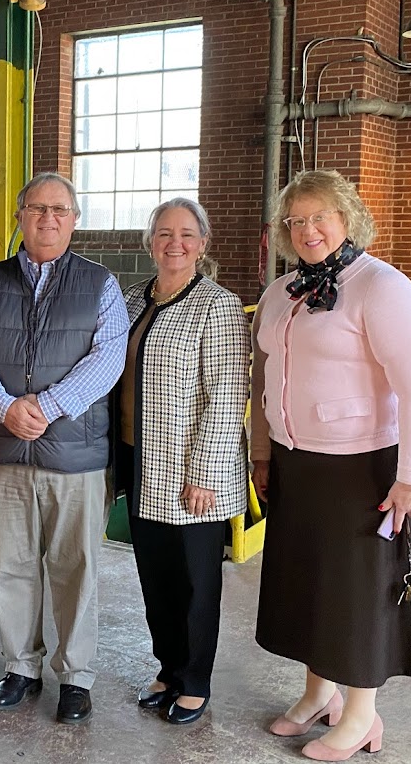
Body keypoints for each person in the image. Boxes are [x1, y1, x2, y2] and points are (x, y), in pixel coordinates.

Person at [252, 169, 411, 761]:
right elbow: (265, 373)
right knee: (313, 585)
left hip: (362, 467)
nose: (306, 230)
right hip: (296, 460)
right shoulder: (284, 289)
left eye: (319, 218)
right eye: (295, 221)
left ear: (347, 219)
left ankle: (362, 715)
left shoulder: (381, 286)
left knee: (357, 592)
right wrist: (263, 450)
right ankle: (318, 694)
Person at [0, 172, 127, 725]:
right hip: (6, 453)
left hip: (74, 456)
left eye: (59, 210)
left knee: (76, 567)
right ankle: (20, 667)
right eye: (35, 209)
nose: (47, 219)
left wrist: (47, 406)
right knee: (12, 567)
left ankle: (75, 676)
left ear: (74, 219)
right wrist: (5, 408)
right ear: (20, 218)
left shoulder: (101, 285)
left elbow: (107, 360)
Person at [117, 198, 250, 724]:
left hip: (190, 471)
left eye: (186, 234)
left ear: (203, 243)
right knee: (155, 575)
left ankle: (194, 680)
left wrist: (204, 473)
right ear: (149, 241)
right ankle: (169, 668)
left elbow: (225, 392)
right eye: (164, 233)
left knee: (195, 582)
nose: (175, 243)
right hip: (137, 460)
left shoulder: (216, 305)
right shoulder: (131, 300)